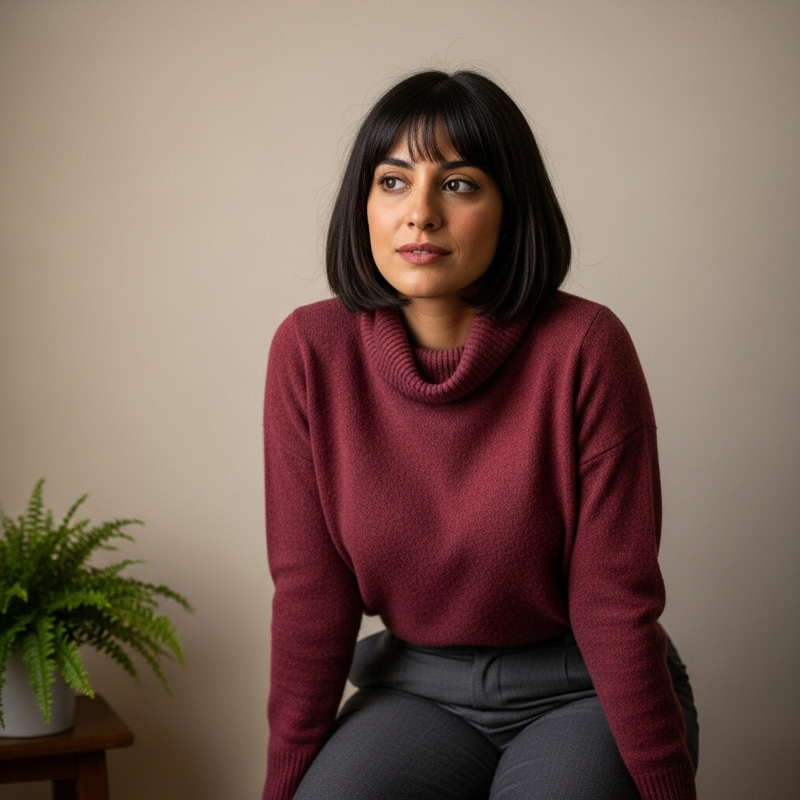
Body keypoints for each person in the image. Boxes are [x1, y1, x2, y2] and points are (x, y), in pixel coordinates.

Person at [262, 69, 699, 800]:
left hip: (579, 687)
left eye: (459, 184)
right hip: (414, 692)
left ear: (510, 206)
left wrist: (665, 785)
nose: (420, 214)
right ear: (362, 205)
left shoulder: (585, 345)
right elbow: (311, 595)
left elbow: (613, 600)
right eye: (393, 182)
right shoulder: (311, 351)